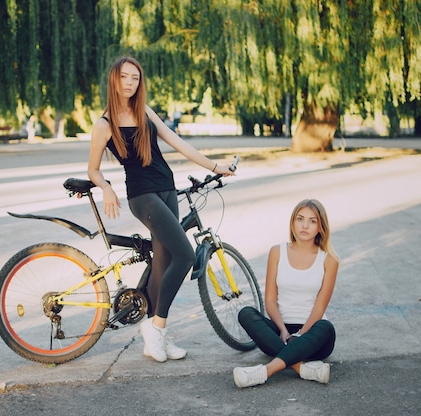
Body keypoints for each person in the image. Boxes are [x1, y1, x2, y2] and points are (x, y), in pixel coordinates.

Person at [87, 56, 235, 363]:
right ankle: (156, 328)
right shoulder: (104, 125)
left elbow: (179, 143)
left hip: (168, 189)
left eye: (135, 78)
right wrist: (107, 188)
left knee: (163, 263)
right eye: (125, 77)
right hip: (142, 196)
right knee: (185, 255)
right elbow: (93, 170)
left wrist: (216, 166)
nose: (130, 83)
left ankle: (154, 331)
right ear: (114, 80)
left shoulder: (144, 112)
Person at [233, 199, 339, 387]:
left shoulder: (329, 260)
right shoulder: (277, 252)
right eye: (300, 219)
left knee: (326, 327)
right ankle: (301, 368)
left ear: (321, 227)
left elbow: (320, 306)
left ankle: (266, 371)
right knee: (246, 314)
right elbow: (270, 300)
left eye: (312, 221)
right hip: (278, 334)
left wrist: (300, 335)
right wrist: (282, 330)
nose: (305, 225)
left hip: (312, 335)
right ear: (292, 222)